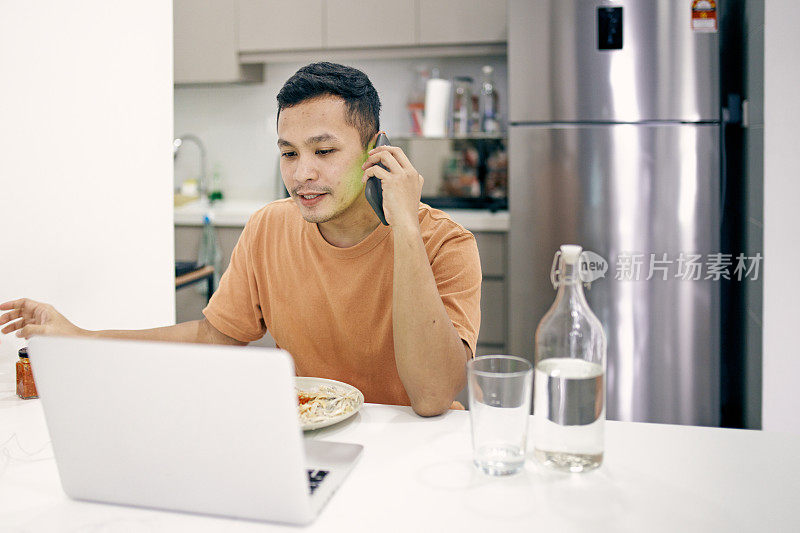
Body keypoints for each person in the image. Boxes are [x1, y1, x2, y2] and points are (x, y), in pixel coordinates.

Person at [0, 62, 481, 416]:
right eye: (289, 153)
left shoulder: (444, 243)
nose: (302, 174)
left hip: (413, 454)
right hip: (310, 449)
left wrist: (406, 230)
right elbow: (212, 337)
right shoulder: (269, 228)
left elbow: (433, 396)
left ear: (375, 151)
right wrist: (82, 339)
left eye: (324, 151)